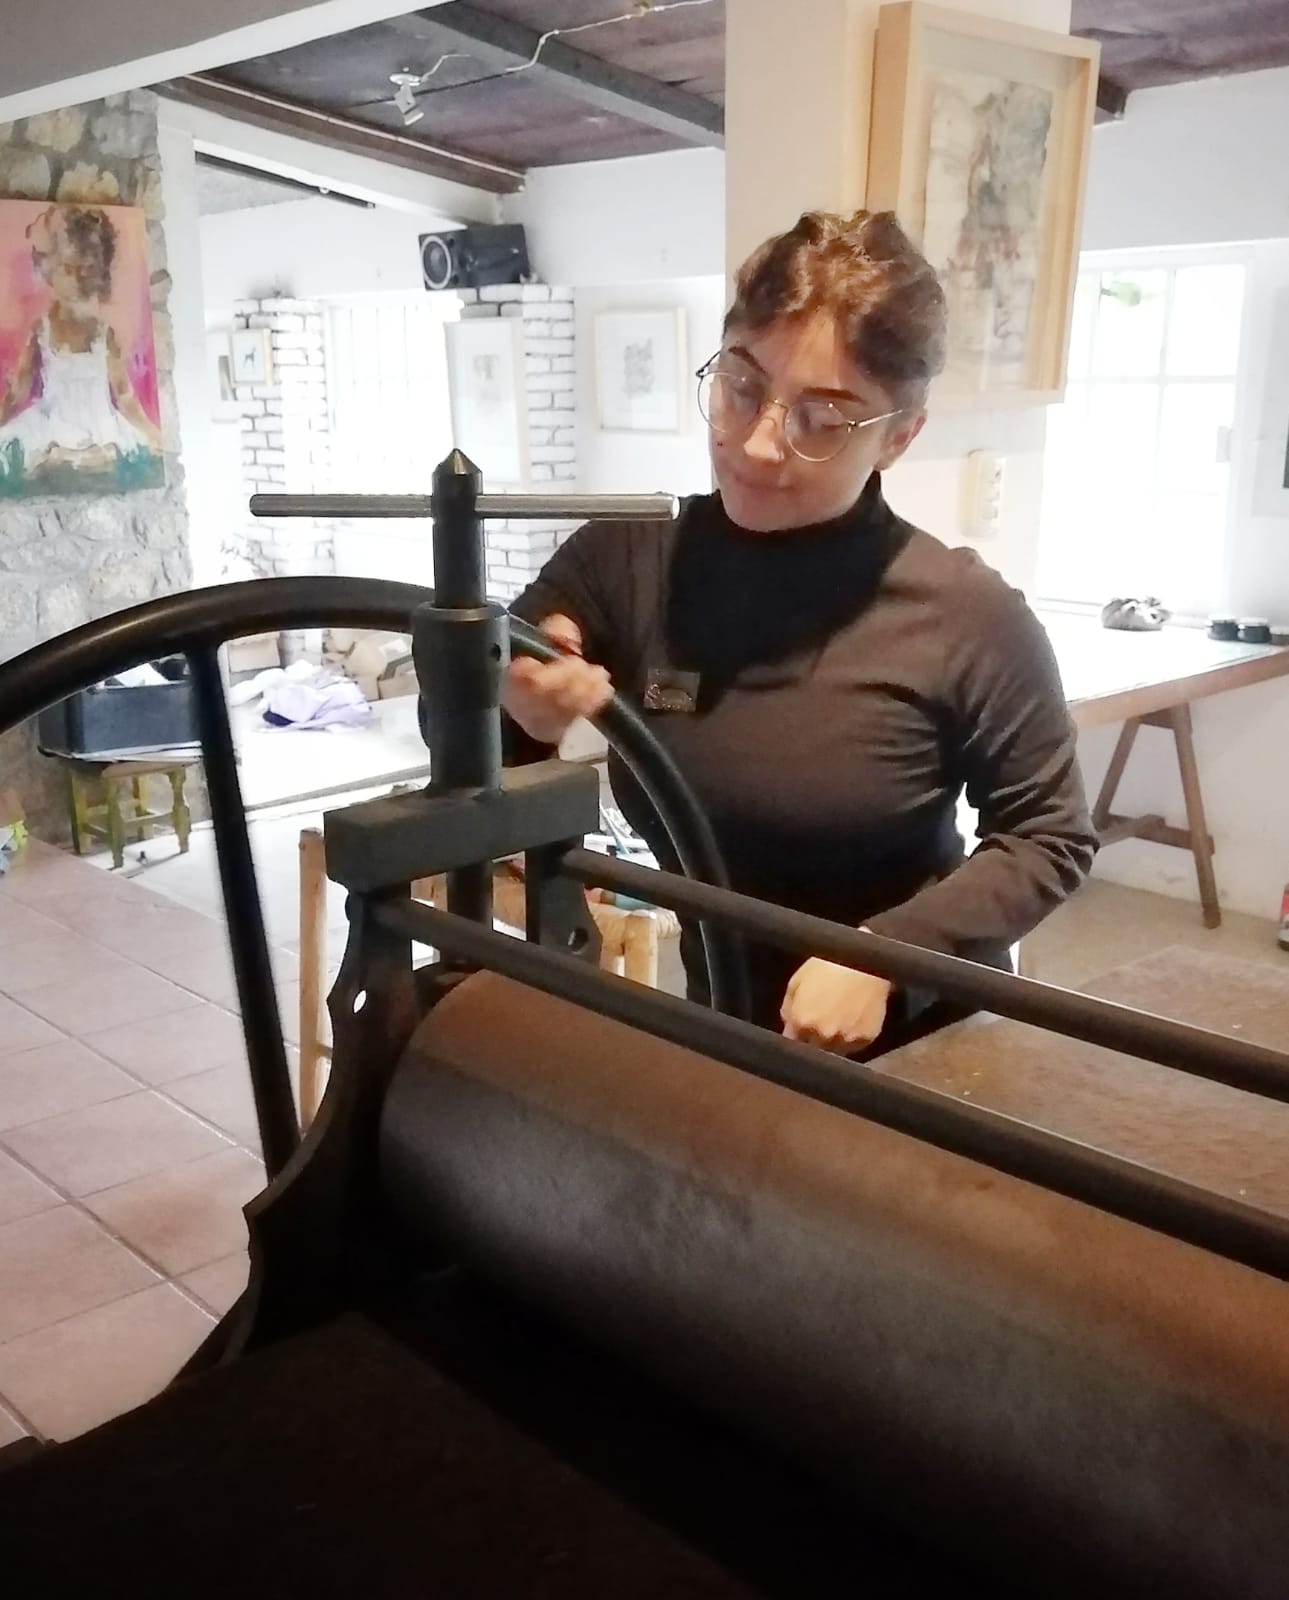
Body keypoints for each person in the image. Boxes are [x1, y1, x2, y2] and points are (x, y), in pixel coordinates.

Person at [505, 209, 1098, 1057]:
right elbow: (468, 707)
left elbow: (1049, 837)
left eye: (821, 420)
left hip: (919, 1051)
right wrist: (517, 706)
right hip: (722, 1024)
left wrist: (886, 955)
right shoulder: (625, 561)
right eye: (740, 386)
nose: (756, 444)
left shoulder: (966, 616)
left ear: (898, 436)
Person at [0, 204, 161, 479]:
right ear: (50, 269)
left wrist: (152, 434)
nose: (76, 278)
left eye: (86, 269)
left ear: (98, 273)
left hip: (99, 424)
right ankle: (67, 457)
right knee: (31, 453)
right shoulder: (42, 330)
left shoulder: (103, 334)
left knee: (116, 453)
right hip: (53, 424)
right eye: (67, 268)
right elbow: (18, 392)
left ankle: (81, 458)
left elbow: (124, 394)